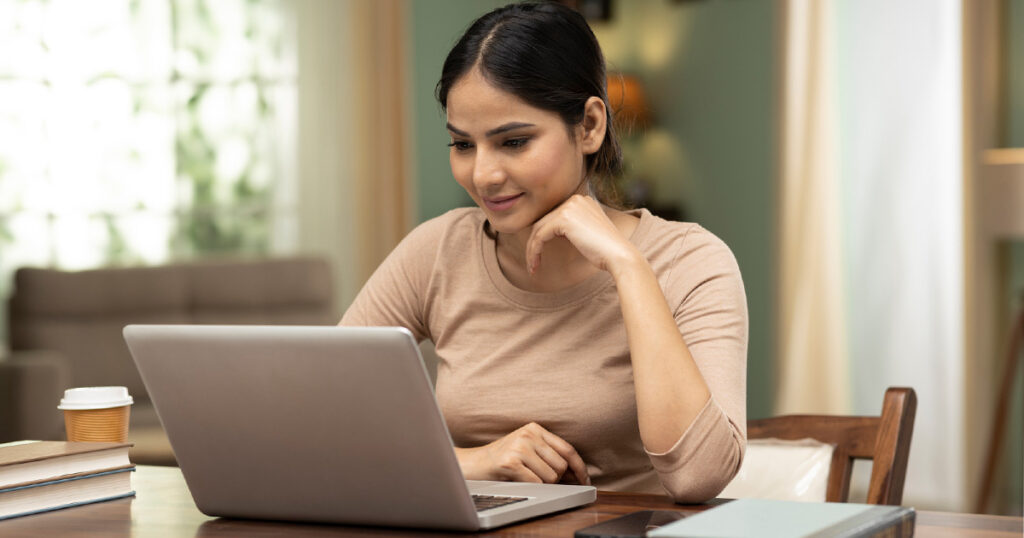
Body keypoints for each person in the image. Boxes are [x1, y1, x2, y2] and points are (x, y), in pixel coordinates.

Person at [340, 1, 747, 503]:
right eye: (463, 145)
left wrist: (627, 267)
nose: (483, 175)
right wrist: (473, 462)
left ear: (590, 126)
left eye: (513, 142)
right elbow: (322, 421)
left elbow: (700, 477)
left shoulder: (693, 262)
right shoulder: (437, 251)